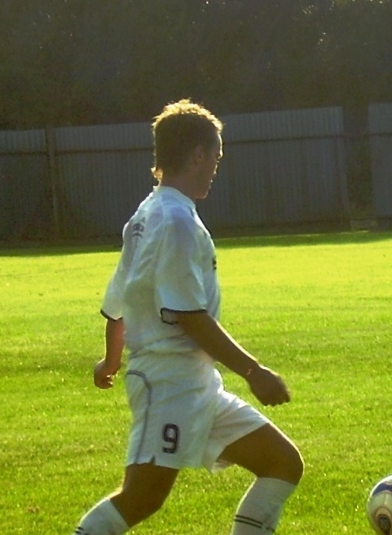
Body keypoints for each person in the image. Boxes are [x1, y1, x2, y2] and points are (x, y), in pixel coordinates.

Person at [73, 99, 304, 535]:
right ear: (198, 154)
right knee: (141, 498)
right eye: (215, 156)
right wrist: (254, 372)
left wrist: (110, 359)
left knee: (282, 463)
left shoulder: (144, 214)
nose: (217, 166)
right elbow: (188, 317)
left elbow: (119, 302)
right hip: (168, 382)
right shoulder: (174, 220)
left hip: (196, 383)